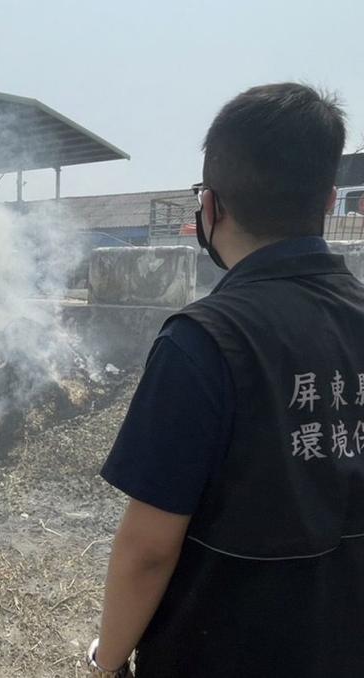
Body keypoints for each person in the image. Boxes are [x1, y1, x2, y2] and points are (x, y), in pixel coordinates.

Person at [86, 83, 356, 677]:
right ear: (330, 199)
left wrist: (106, 662)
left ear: (209, 207)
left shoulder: (203, 340)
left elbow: (149, 549)